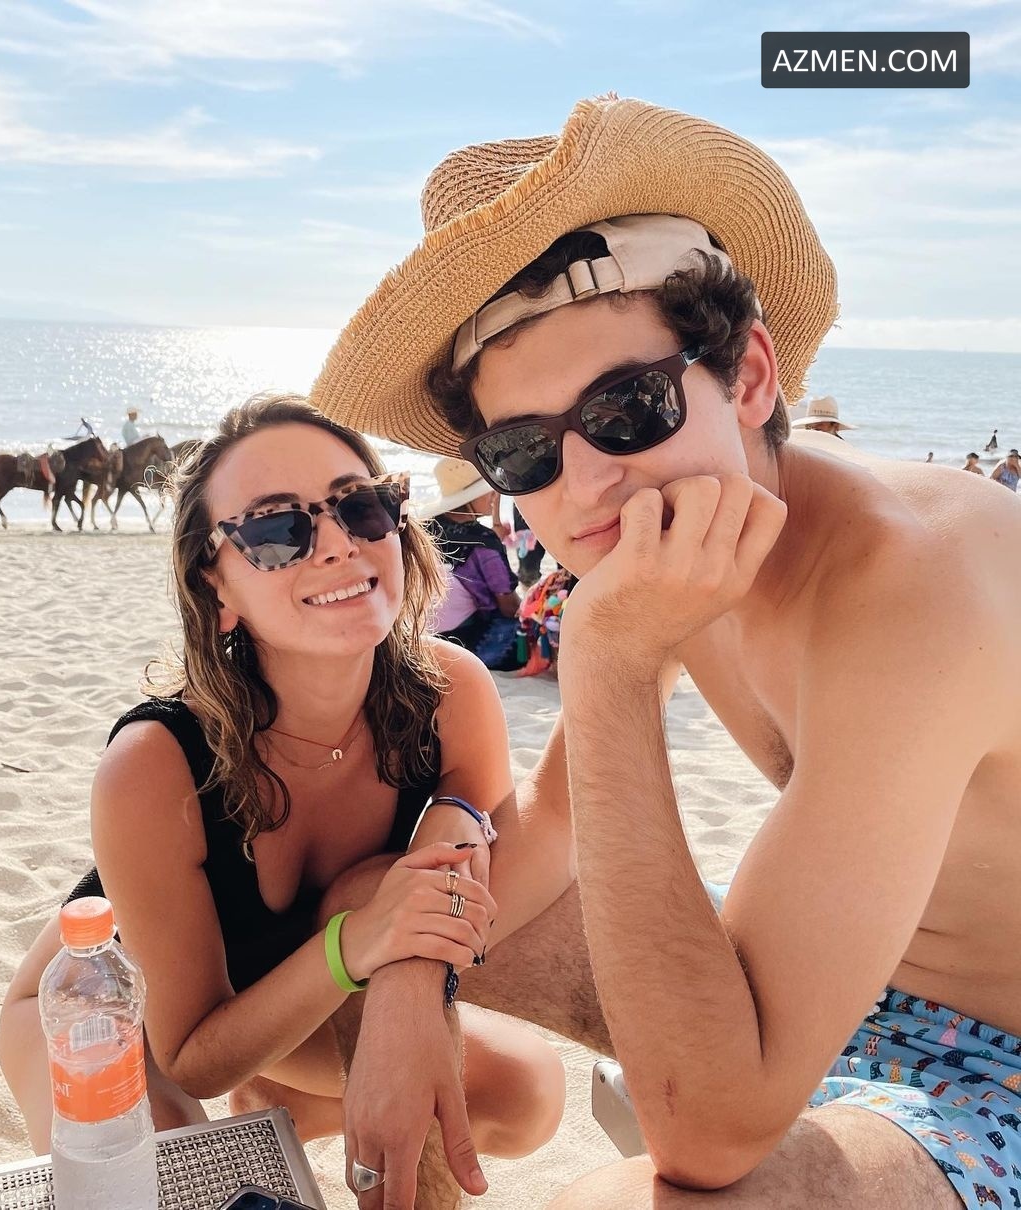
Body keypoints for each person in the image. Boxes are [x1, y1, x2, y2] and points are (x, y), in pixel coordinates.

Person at [310, 95, 1021, 1210]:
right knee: (365, 907)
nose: (588, 481)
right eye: (524, 452)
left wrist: (608, 665)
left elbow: (711, 1135)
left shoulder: (910, 585)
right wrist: (409, 966)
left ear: (749, 378)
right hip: (840, 970)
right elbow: (552, 825)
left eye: (629, 407)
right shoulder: (689, 538)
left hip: (999, 1064)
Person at [0, 395, 564, 1189]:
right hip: (109, 1012)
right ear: (216, 585)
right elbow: (192, 1054)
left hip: (283, 995)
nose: (336, 543)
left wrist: (401, 970)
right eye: (275, 530)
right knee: (171, 1190)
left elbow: (481, 832)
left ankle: (281, 1100)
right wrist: (357, 943)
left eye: (360, 506)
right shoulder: (155, 764)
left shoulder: (449, 694)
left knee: (522, 1091)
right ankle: (273, 1100)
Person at [422, 457, 522, 667]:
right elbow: (509, 607)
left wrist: (495, 523)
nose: (494, 494)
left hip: (425, 635)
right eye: (488, 489)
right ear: (469, 497)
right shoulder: (483, 543)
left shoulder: (423, 530)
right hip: (465, 639)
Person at [789, 394, 855, 438]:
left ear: (835, 426)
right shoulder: (804, 445)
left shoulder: (843, 450)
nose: (813, 429)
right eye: (809, 426)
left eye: (819, 424)